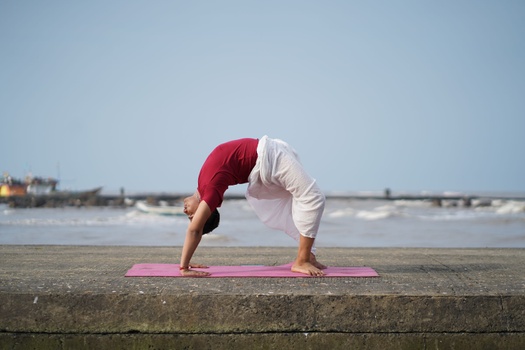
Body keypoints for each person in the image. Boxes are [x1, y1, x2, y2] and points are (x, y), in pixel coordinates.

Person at [180, 135, 326, 277]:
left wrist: (187, 261)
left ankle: (308, 256)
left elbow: (196, 227)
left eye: (189, 216)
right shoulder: (212, 191)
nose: (185, 210)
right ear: (206, 210)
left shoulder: (203, 186)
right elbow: (195, 231)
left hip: (271, 152)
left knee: (292, 201)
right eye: (191, 216)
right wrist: (184, 267)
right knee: (313, 197)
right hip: (270, 157)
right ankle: (303, 260)